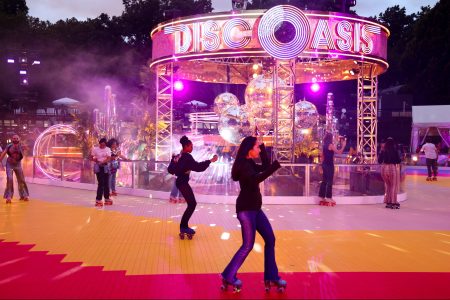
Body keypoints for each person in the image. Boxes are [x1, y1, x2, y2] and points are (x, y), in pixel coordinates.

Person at [221, 136, 286, 293]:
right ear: (249, 150)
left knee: (270, 239)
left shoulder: (249, 162)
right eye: (257, 147)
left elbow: (264, 166)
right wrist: (275, 167)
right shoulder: (244, 165)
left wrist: (263, 147)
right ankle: (228, 275)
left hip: (255, 209)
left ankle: (271, 276)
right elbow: (256, 179)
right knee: (248, 245)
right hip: (246, 211)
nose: (258, 149)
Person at [174, 136, 217, 238]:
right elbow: (198, 167)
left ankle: (183, 226)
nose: (192, 148)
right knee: (192, 204)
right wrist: (210, 161)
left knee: (191, 204)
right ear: (187, 146)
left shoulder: (180, 155)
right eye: (191, 146)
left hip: (180, 182)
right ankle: (183, 226)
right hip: (182, 183)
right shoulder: (187, 157)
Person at [0, 134, 29, 203]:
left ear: (19, 139)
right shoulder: (9, 146)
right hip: (9, 165)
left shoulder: (21, 146)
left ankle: (24, 195)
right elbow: (3, 154)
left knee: (21, 180)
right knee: (9, 179)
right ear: (12, 139)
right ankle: (9, 197)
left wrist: (26, 148)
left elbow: (26, 153)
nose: (15, 139)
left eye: (16, 138)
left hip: (18, 165)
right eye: (14, 138)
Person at [318, 133, 346, 206]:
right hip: (329, 165)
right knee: (329, 181)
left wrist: (321, 166)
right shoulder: (330, 145)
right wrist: (343, 146)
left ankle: (322, 196)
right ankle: (328, 197)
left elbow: (322, 156)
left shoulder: (324, 145)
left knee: (324, 181)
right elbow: (339, 152)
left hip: (324, 164)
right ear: (330, 138)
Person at [378, 137, 402, 209]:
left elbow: (379, 161)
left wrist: (381, 151)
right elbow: (398, 161)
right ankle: (393, 202)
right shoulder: (395, 150)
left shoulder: (383, 150)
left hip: (384, 168)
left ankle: (388, 201)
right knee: (393, 186)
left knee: (388, 185)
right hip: (392, 168)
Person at [90, 138, 112, 207]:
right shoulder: (95, 149)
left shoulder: (108, 149)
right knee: (101, 183)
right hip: (98, 167)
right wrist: (96, 160)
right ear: (99, 143)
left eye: (104, 144)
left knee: (106, 183)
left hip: (105, 167)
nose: (102, 145)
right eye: (101, 144)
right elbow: (91, 157)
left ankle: (107, 198)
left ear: (105, 144)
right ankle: (98, 199)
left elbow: (109, 158)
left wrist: (103, 162)